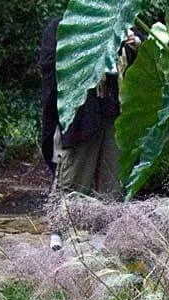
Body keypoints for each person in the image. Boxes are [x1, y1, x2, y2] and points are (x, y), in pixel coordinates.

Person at [39, 18, 139, 249]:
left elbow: (141, 55)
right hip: (81, 115)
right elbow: (51, 66)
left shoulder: (119, 21)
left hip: (115, 112)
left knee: (112, 179)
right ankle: (60, 236)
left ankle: (103, 240)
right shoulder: (63, 26)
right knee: (74, 177)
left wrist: (134, 44)